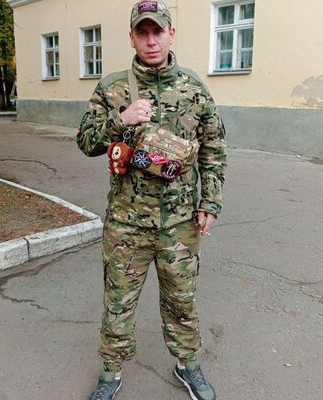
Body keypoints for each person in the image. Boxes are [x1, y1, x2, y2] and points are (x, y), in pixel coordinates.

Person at [77, 1, 226, 399]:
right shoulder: (112, 88)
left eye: (157, 31)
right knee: (118, 302)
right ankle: (110, 373)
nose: (151, 40)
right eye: (142, 33)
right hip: (126, 223)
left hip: (179, 223)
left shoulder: (194, 88)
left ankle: (188, 365)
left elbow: (213, 149)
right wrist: (120, 119)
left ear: (171, 34)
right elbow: (85, 141)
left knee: (181, 300)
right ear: (132, 38)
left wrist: (210, 202)